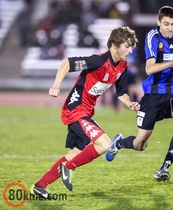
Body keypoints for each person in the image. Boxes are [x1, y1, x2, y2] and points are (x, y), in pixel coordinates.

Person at [30, 26, 140, 199]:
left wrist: (129, 103)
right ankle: (69, 168)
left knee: (74, 154)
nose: (131, 50)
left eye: (132, 46)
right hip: (75, 109)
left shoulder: (122, 67)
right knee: (104, 144)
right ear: (114, 44)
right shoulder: (98, 61)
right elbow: (67, 62)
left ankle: (39, 186)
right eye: (127, 45)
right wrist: (56, 85)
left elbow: (121, 93)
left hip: (85, 112)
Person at [105, 6, 173, 182]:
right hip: (154, 94)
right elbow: (149, 69)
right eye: (166, 24)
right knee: (140, 144)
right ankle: (119, 142)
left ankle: (164, 168)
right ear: (158, 22)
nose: (170, 28)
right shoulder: (152, 37)